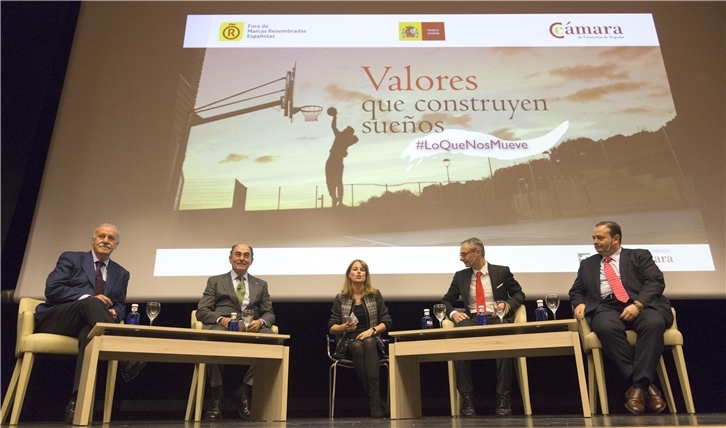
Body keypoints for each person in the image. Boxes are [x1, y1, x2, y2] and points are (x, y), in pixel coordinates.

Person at [34, 223, 145, 424]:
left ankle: (77, 402)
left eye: (111, 238)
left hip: (88, 323)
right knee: (91, 303)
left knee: (90, 333)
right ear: (93, 239)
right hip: (57, 318)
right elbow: (52, 289)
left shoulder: (121, 273)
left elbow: (120, 304)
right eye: (101, 236)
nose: (105, 240)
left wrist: (113, 311)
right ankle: (125, 356)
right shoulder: (71, 258)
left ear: (116, 245)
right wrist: (89, 298)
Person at [569, 221, 671, 415]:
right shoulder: (588, 263)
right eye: (594, 238)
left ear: (615, 239)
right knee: (605, 328)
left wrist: (638, 304)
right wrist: (579, 302)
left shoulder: (639, 255)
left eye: (600, 238)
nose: (595, 242)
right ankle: (645, 387)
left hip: (641, 304)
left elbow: (655, 281)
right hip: (606, 306)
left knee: (653, 322)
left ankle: (637, 389)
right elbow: (576, 290)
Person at [441, 237, 525, 417]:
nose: (461, 258)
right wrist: (453, 313)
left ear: (477, 252)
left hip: (495, 317)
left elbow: (519, 294)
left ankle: (504, 397)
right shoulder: (461, 276)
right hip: (472, 318)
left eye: (464, 254)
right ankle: (466, 397)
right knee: (456, 340)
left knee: (504, 342)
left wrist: (507, 305)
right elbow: (446, 301)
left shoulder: (501, 272)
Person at [196, 244, 276, 421]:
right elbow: (202, 310)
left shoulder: (260, 284)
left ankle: (244, 390)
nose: (242, 258)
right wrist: (221, 320)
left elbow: (269, 313)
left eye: (246, 255)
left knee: (272, 340)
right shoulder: (215, 281)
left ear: (251, 261)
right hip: (223, 326)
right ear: (230, 258)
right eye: (238, 254)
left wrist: (260, 322)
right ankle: (216, 395)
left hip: (250, 327)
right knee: (212, 338)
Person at [328, 260, 392, 418]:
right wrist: (344, 327)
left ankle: (375, 402)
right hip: (348, 343)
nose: (359, 272)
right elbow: (331, 327)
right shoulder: (341, 298)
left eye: (362, 270)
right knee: (357, 345)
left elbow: (387, 322)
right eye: (355, 270)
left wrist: (372, 330)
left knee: (367, 342)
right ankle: (377, 402)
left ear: (366, 274)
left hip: (373, 341)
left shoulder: (374, 295)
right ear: (349, 275)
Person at [325, 107, 358, 207]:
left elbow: (355, 139)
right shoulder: (343, 137)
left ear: (348, 133)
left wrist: (334, 117)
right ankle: (335, 199)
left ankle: (339, 201)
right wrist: (334, 117)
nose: (343, 130)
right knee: (331, 182)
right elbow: (333, 127)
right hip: (332, 161)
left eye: (346, 130)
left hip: (336, 161)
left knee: (337, 182)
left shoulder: (344, 139)